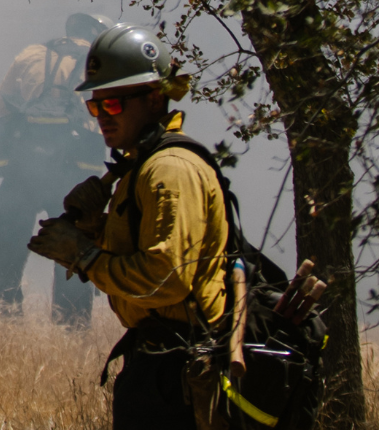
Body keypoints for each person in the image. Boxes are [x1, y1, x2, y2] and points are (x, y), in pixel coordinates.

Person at [26, 24, 229, 430]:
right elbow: (142, 247)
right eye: (95, 107)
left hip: (180, 370)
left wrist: (84, 255)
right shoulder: (140, 166)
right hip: (158, 362)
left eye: (114, 104)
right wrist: (93, 229)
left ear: (153, 99)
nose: (102, 117)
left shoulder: (169, 170)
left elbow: (165, 278)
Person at [0, 13, 114, 327]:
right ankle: (72, 325)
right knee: (76, 243)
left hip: (24, 166)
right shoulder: (101, 64)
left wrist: (6, 166)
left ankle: (3, 313)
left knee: (3, 234)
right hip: (76, 170)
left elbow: (0, 110)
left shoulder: (31, 54)